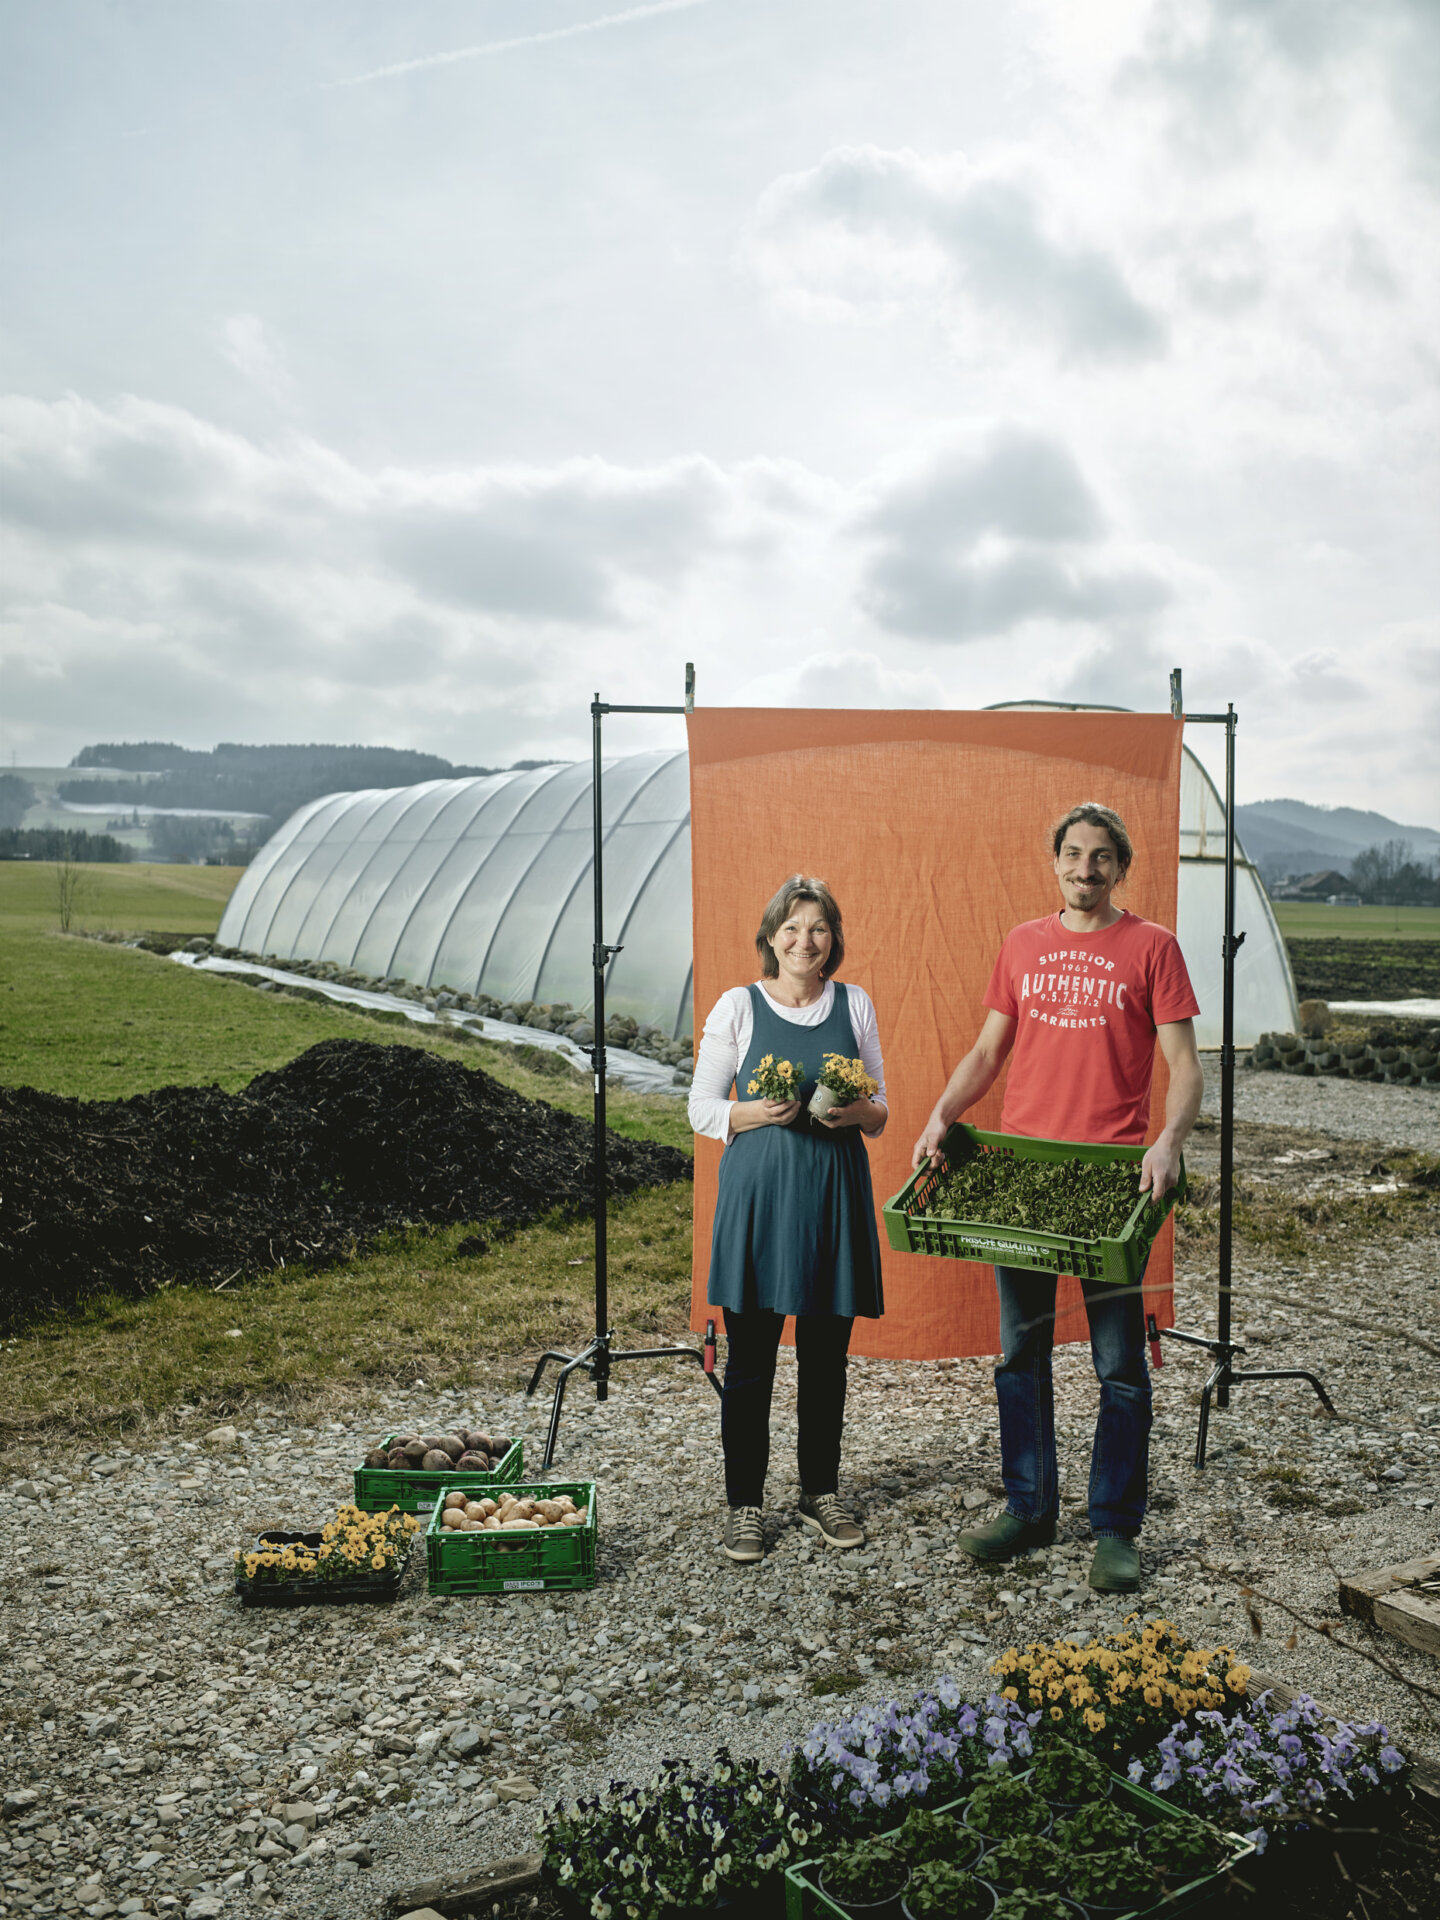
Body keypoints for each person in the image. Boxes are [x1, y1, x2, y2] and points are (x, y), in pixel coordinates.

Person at [912, 803, 1203, 1595]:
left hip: (1110, 1180)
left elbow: (1185, 1065)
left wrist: (1168, 1141)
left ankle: (1114, 1527)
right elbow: (986, 1050)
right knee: (1021, 1352)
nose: (1084, 869)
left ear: (1120, 866)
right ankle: (1030, 1508)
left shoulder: (1153, 949)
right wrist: (942, 1115)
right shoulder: (1022, 944)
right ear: (1056, 863)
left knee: (1118, 1365)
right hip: (1024, 1176)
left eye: (1100, 857)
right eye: (1072, 855)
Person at [689, 875, 888, 1564]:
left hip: (832, 1194)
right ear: (771, 937)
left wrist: (854, 1112)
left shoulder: (853, 1003)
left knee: (826, 1358)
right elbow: (702, 1107)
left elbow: (882, 1110)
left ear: (833, 940)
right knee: (750, 1362)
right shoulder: (737, 1006)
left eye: (820, 928)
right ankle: (745, 1504)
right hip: (760, 1200)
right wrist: (752, 1113)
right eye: (793, 928)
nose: (806, 940)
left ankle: (818, 1491)